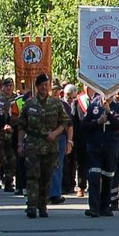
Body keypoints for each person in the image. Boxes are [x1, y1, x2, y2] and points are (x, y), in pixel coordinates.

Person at [18, 74, 69, 219]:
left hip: (51, 146)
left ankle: (43, 206)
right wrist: (20, 144)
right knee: (32, 176)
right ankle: (31, 206)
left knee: (46, 177)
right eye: (42, 85)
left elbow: (64, 122)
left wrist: (56, 133)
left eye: (46, 85)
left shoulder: (56, 103)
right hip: (33, 145)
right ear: (37, 87)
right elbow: (22, 126)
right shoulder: (29, 104)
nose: (44, 88)